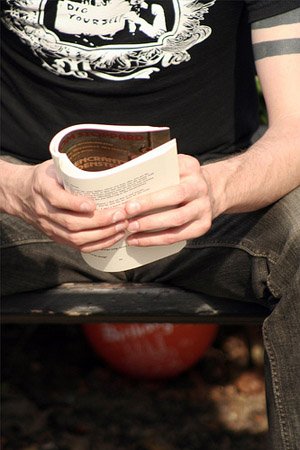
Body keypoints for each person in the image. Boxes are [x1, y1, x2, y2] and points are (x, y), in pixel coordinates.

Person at [1, 0, 300, 448]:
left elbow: (295, 129)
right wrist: (16, 189)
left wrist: (218, 190)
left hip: (214, 204)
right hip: (29, 200)